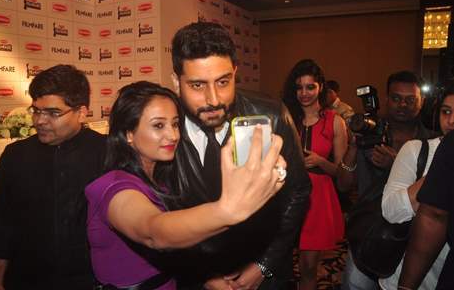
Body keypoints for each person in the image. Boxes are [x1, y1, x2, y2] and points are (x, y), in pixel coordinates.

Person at [86, 81, 287, 289]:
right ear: (128, 133)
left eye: (175, 124)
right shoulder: (112, 186)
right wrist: (227, 210)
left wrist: (207, 278)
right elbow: (153, 231)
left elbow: (178, 249)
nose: (173, 135)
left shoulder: (163, 182)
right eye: (158, 125)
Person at [170, 22, 311, 290]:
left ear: (235, 72)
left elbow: (298, 192)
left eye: (223, 82)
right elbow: (161, 214)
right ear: (177, 81)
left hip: (263, 274)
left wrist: (264, 264)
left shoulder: (271, 116)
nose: (213, 99)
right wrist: (203, 276)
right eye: (198, 85)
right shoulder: (163, 128)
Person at [0, 65, 106, 290]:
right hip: (26, 280)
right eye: (36, 110)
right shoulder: (15, 156)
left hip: (90, 281)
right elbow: (0, 225)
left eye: (53, 113)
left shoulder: (107, 152)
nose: (40, 120)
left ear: (81, 112)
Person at [340, 71, 437, 290]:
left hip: (412, 239)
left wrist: (398, 164)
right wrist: (354, 146)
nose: (402, 104)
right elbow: (343, 185)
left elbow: (435, 192)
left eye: (410, 99)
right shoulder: (369, 134)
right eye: (396, 98)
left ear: (421, 102)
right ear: (385, 100)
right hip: (367, 233)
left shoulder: (430, 142)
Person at [379, 83, 454, 289]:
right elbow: (391, 211)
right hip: (408, 276)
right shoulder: (417, 149)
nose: (451, 121)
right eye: (446, 111)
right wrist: (439, 175)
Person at [282, 59, 348, 290]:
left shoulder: (336, 122)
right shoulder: (285, 119)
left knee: (308, 266)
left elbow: (343, 174)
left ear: (320, 87)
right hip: (286, 197)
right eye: (299, 87)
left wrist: (320, 161)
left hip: (318, 200)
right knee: (280, 265)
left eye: (310, 87)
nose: (304, 93)